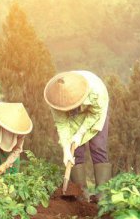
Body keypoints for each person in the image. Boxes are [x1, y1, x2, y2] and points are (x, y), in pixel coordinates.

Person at [44, 70, 110, 200]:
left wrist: (80, 134)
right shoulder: (55, 97)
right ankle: (81, 195)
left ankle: (103, 195)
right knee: (75, 152)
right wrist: (65, 151)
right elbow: (62, 125)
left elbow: (95, 114)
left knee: (98, 146)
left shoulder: (96, 91)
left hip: (94, 112)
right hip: (73, 117)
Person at [0, 102, 33, 180]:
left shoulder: (21, 128)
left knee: (13, 169)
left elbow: (17, 149)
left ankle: (11, 187)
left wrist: (5, 165)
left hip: (11, 146)